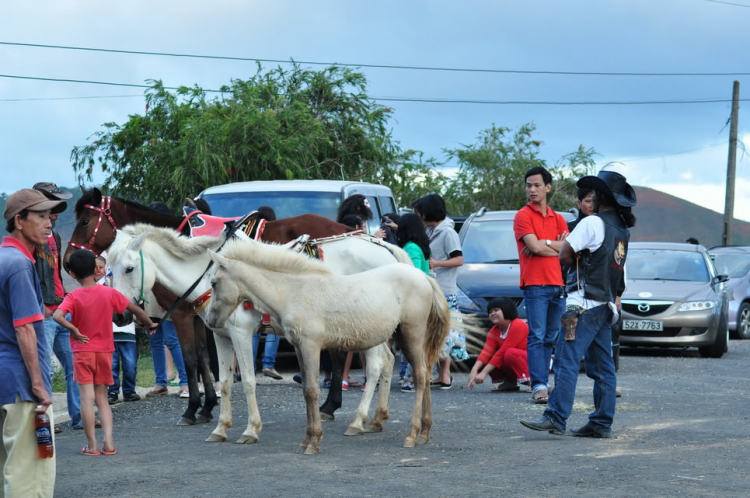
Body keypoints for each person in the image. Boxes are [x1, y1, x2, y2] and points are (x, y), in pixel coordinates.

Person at [520, 170, 636, 438]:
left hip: (581, 305)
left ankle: (556, 416)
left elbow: (564, 253)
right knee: (603, 367)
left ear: (601, 197)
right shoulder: (621, 230)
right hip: (605, 306)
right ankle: (601, 422)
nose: (590, 197)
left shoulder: (592, 223)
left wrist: (574, 260)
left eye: (594, 193)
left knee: (565, 359)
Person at [54, 249, 157, 455]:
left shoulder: (73, 296)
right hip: (105, 351)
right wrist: (149, 323)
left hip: (83, 352)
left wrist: (73, 329)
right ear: (96, 269)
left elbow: (57, 315)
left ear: (72, 274)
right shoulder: (109, 293)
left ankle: (91, 446)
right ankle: (109, 443)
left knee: (86, 398)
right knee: (102, 399)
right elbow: (134, 309)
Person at [1, 188, 62, 497]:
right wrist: (38, 384)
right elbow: (25, 328)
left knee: (6, 474)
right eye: (40, 216)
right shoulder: (19, 265)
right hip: (22, 387)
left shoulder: (2, 257)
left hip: (4, 383)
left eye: (50, 216)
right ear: (19, 221)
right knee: (29, 480)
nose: (49, 222)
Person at [512, 166, 569, 404]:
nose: (532, 189)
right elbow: (533, 248)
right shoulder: (523, 216)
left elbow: (570, 251)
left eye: (536, 185)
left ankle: (544, 382)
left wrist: (544, 244)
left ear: (548, 187)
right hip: (535, 285)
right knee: (536, 336)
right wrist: (554, 245)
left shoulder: (559, 218)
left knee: (551, 338)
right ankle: (538, 385)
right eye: (528, 185)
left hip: (558, 284)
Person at [32, 182, 82, 433]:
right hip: (43, 311)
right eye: (52, 201)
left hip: (60, 308)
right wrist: (41, 306)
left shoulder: (56, 235)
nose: (57, 210)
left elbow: (55, 273)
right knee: (44, 368)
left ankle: (79, 416)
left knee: (73, 364)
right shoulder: (30, 238)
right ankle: (46, 418)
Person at [413, 193, 469, 389]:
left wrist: (436, 263)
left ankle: (445, 375)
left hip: (445, 288)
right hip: (433, 287)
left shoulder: (448, 233)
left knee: (446, 333)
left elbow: (458, 260)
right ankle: (440, 374)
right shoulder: (431, 231)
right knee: (436, 332)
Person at [394, 213, 431, 392]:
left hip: (414, 301)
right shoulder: (419, 246)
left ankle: (412, 378)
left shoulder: (411, 248)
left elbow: (413, 272)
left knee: (413, 344)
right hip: (422, 299)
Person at [467, 297, 529, 391]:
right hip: (515, 359)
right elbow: (486, 352)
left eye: (496, 310)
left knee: (509, 353)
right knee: (492, 355)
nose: (493, 314)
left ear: (506, 310)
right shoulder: (494, 331)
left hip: (532, 361)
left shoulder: (518, 325)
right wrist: (474, 370)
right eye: (490, 312)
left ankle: (533, 382)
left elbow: (503, 351)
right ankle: (510, 382)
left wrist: (483, 373)